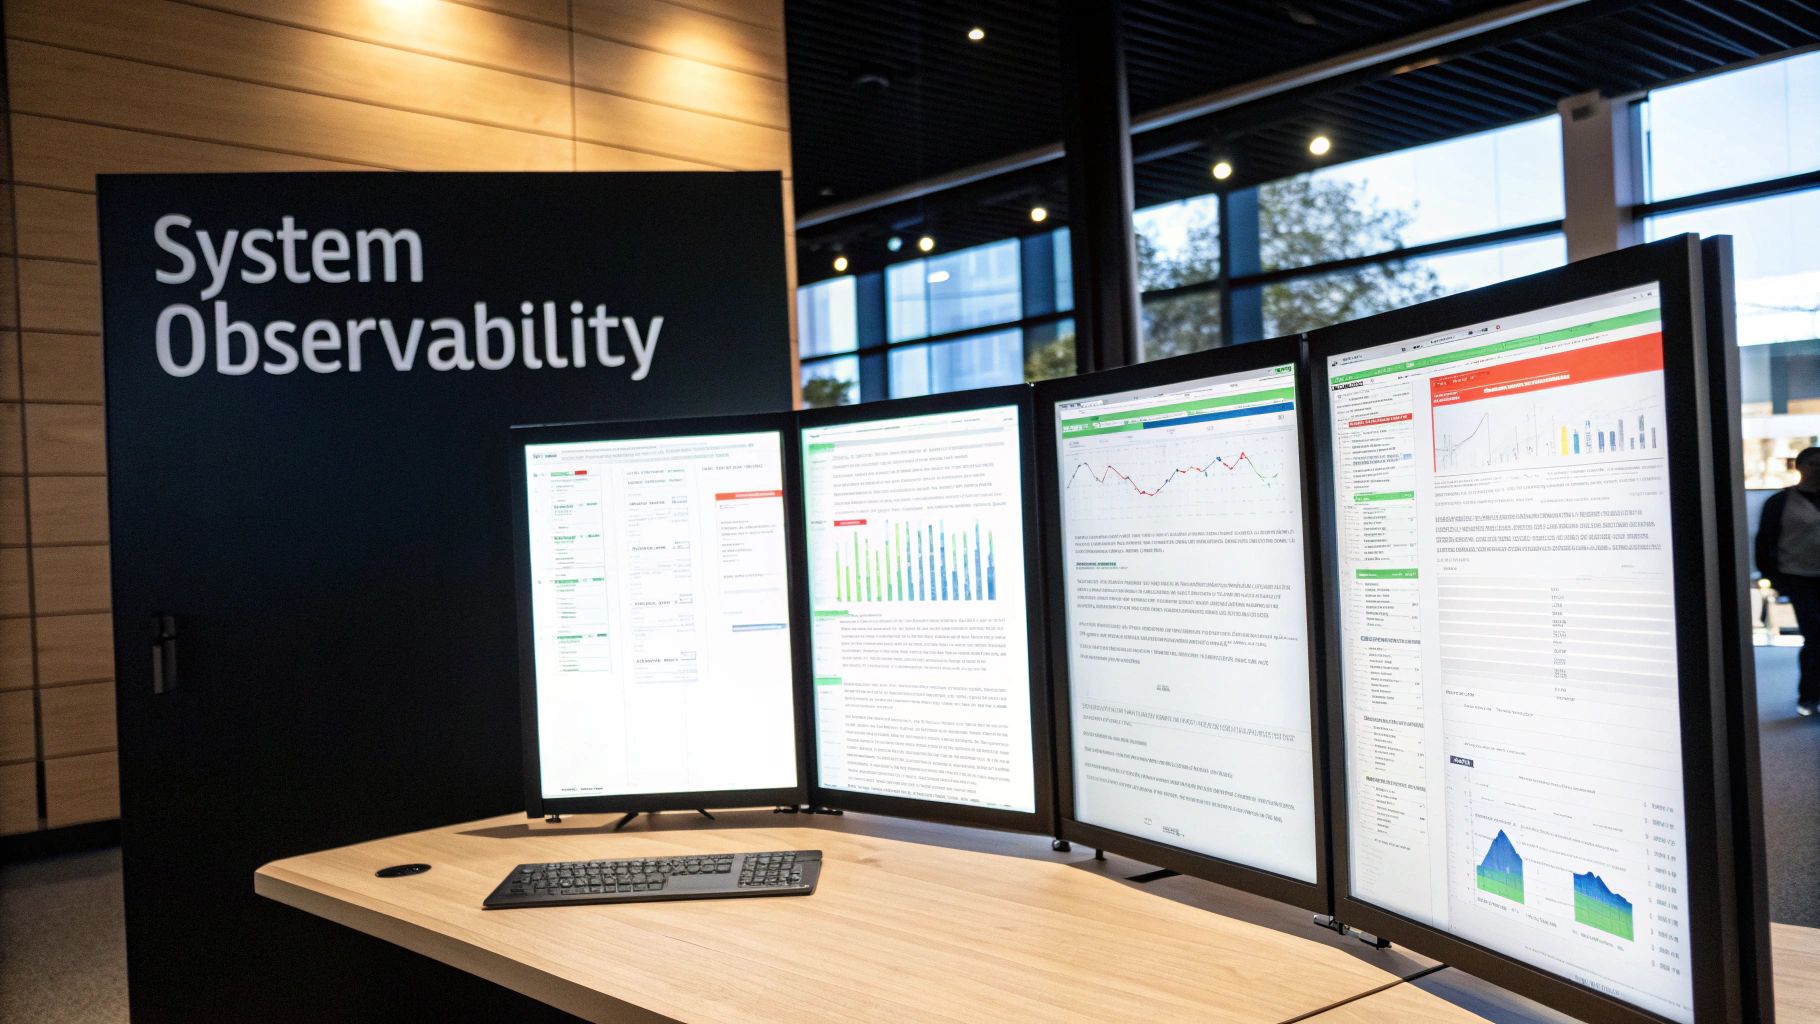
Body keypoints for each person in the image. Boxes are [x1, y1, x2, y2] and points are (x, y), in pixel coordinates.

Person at [1757, 446, 1820, 717]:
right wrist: (1773, 578)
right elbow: (1765, 541)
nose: (1818, 470)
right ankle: (1809, 696)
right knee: (1815, 637)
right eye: (1814, 464)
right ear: (1800, 467)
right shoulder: (1780, 502)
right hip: (1799, 577)